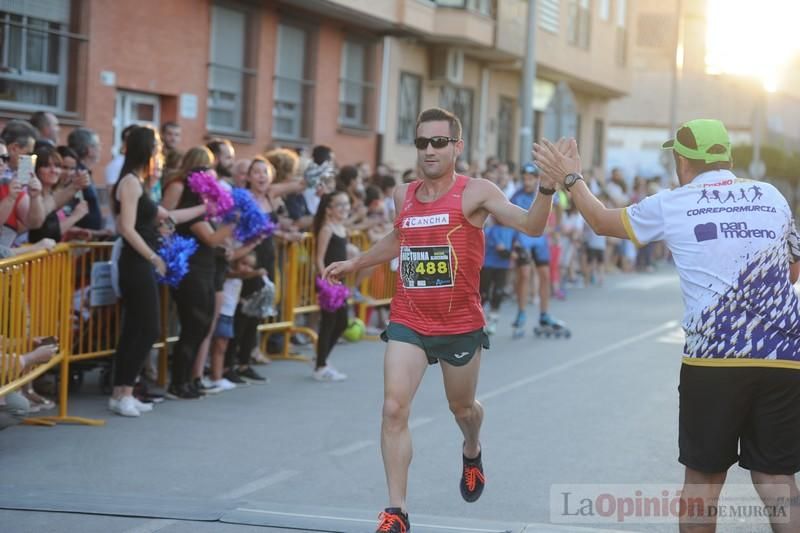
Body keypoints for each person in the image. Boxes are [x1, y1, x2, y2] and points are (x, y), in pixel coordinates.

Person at [533, 119, 800, 533]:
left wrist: (571, 178)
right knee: (778, 479)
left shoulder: (676, 202)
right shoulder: (772, 196)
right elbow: (793, 269)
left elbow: (602, 221)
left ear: (682, 160)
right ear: (727, 156)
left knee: (704, 480)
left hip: (715, 362)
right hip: (784, 357)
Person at [322, 107, 558, 532]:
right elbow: (401, 236)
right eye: (421, 142)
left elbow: (531, 225)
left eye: (438, 142)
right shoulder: (403, 194)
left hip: (459, 324)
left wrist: (545, 189)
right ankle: (397, 511)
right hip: (409, 320)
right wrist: (356, 262)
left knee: (462, 407)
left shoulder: (477, 192)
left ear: (456, 147)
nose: (429, 150)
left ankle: (471, 447)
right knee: (393, 408)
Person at [110, 126, 206, 416]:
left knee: (136, 328)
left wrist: (204, 208)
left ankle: (123, 391)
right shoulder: (129, 182)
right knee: (147, 327)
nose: (161, 153)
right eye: (157, 148)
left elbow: (168, 216)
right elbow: (125, 227)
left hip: (143, 260)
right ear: (147, 150)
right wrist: (154, 257)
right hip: (136, 262)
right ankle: (123, 391)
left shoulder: (140, 182)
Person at [510, 162, 566, 334]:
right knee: (525, 274)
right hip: (523, 239)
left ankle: (544, 314)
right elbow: (510, 218)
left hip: (540, 239)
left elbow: (558, 206)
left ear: (536, 179)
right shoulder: (516, 196)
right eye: (524, 179)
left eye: (530, 179)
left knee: (545, 275)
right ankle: (521, 313)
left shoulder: (542, 192)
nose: (527, 182)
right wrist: (514, 241)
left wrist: (556, 228)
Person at [312, 191, 351, 382]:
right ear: (329, 209)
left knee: (341, 322)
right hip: (329, 284)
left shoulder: (341, 227)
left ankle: (322, 358)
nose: (345, 208)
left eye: (346, 204)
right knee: (329, 324)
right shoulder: (327, 229)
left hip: (339, 283)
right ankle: (320, 365)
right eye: (340, 205)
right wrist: (325, 280)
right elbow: (319, 258)